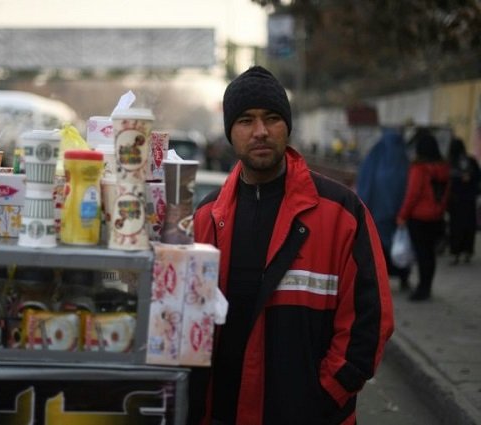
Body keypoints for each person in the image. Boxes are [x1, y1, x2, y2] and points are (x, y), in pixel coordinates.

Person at [189, 65, 394, 425]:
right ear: (229, 132)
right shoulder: (206, 218)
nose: (260, 132)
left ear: (288, 126)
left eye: (271, 118)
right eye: (245, 120)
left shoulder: (341, 213)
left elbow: (370, 321)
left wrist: (324, 397)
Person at [396, 129, 450, 301]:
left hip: (419, 218)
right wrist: (440, 209)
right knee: (430, 254)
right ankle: (427, 285)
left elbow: (412, 194)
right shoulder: (444, 167)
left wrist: (403, 215)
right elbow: (447, 193)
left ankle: (422, 289)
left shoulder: (419, 168)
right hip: (437, 217)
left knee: (421, 254)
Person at [356, 128, 411, 291]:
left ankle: (382, 280)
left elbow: (364, 185)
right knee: (398, 245)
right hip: (398, 215)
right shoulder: (404, 162)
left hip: (378, 214)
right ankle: (403, 277)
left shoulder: (375, 158)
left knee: (380, 247)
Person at [446, 136, 480, 264]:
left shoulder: (451, 163)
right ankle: (467, 251)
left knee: (456, 228)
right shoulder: (470, 161)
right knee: (468, 227)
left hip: (456, 201)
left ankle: (456, 253)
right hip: (469, 201)